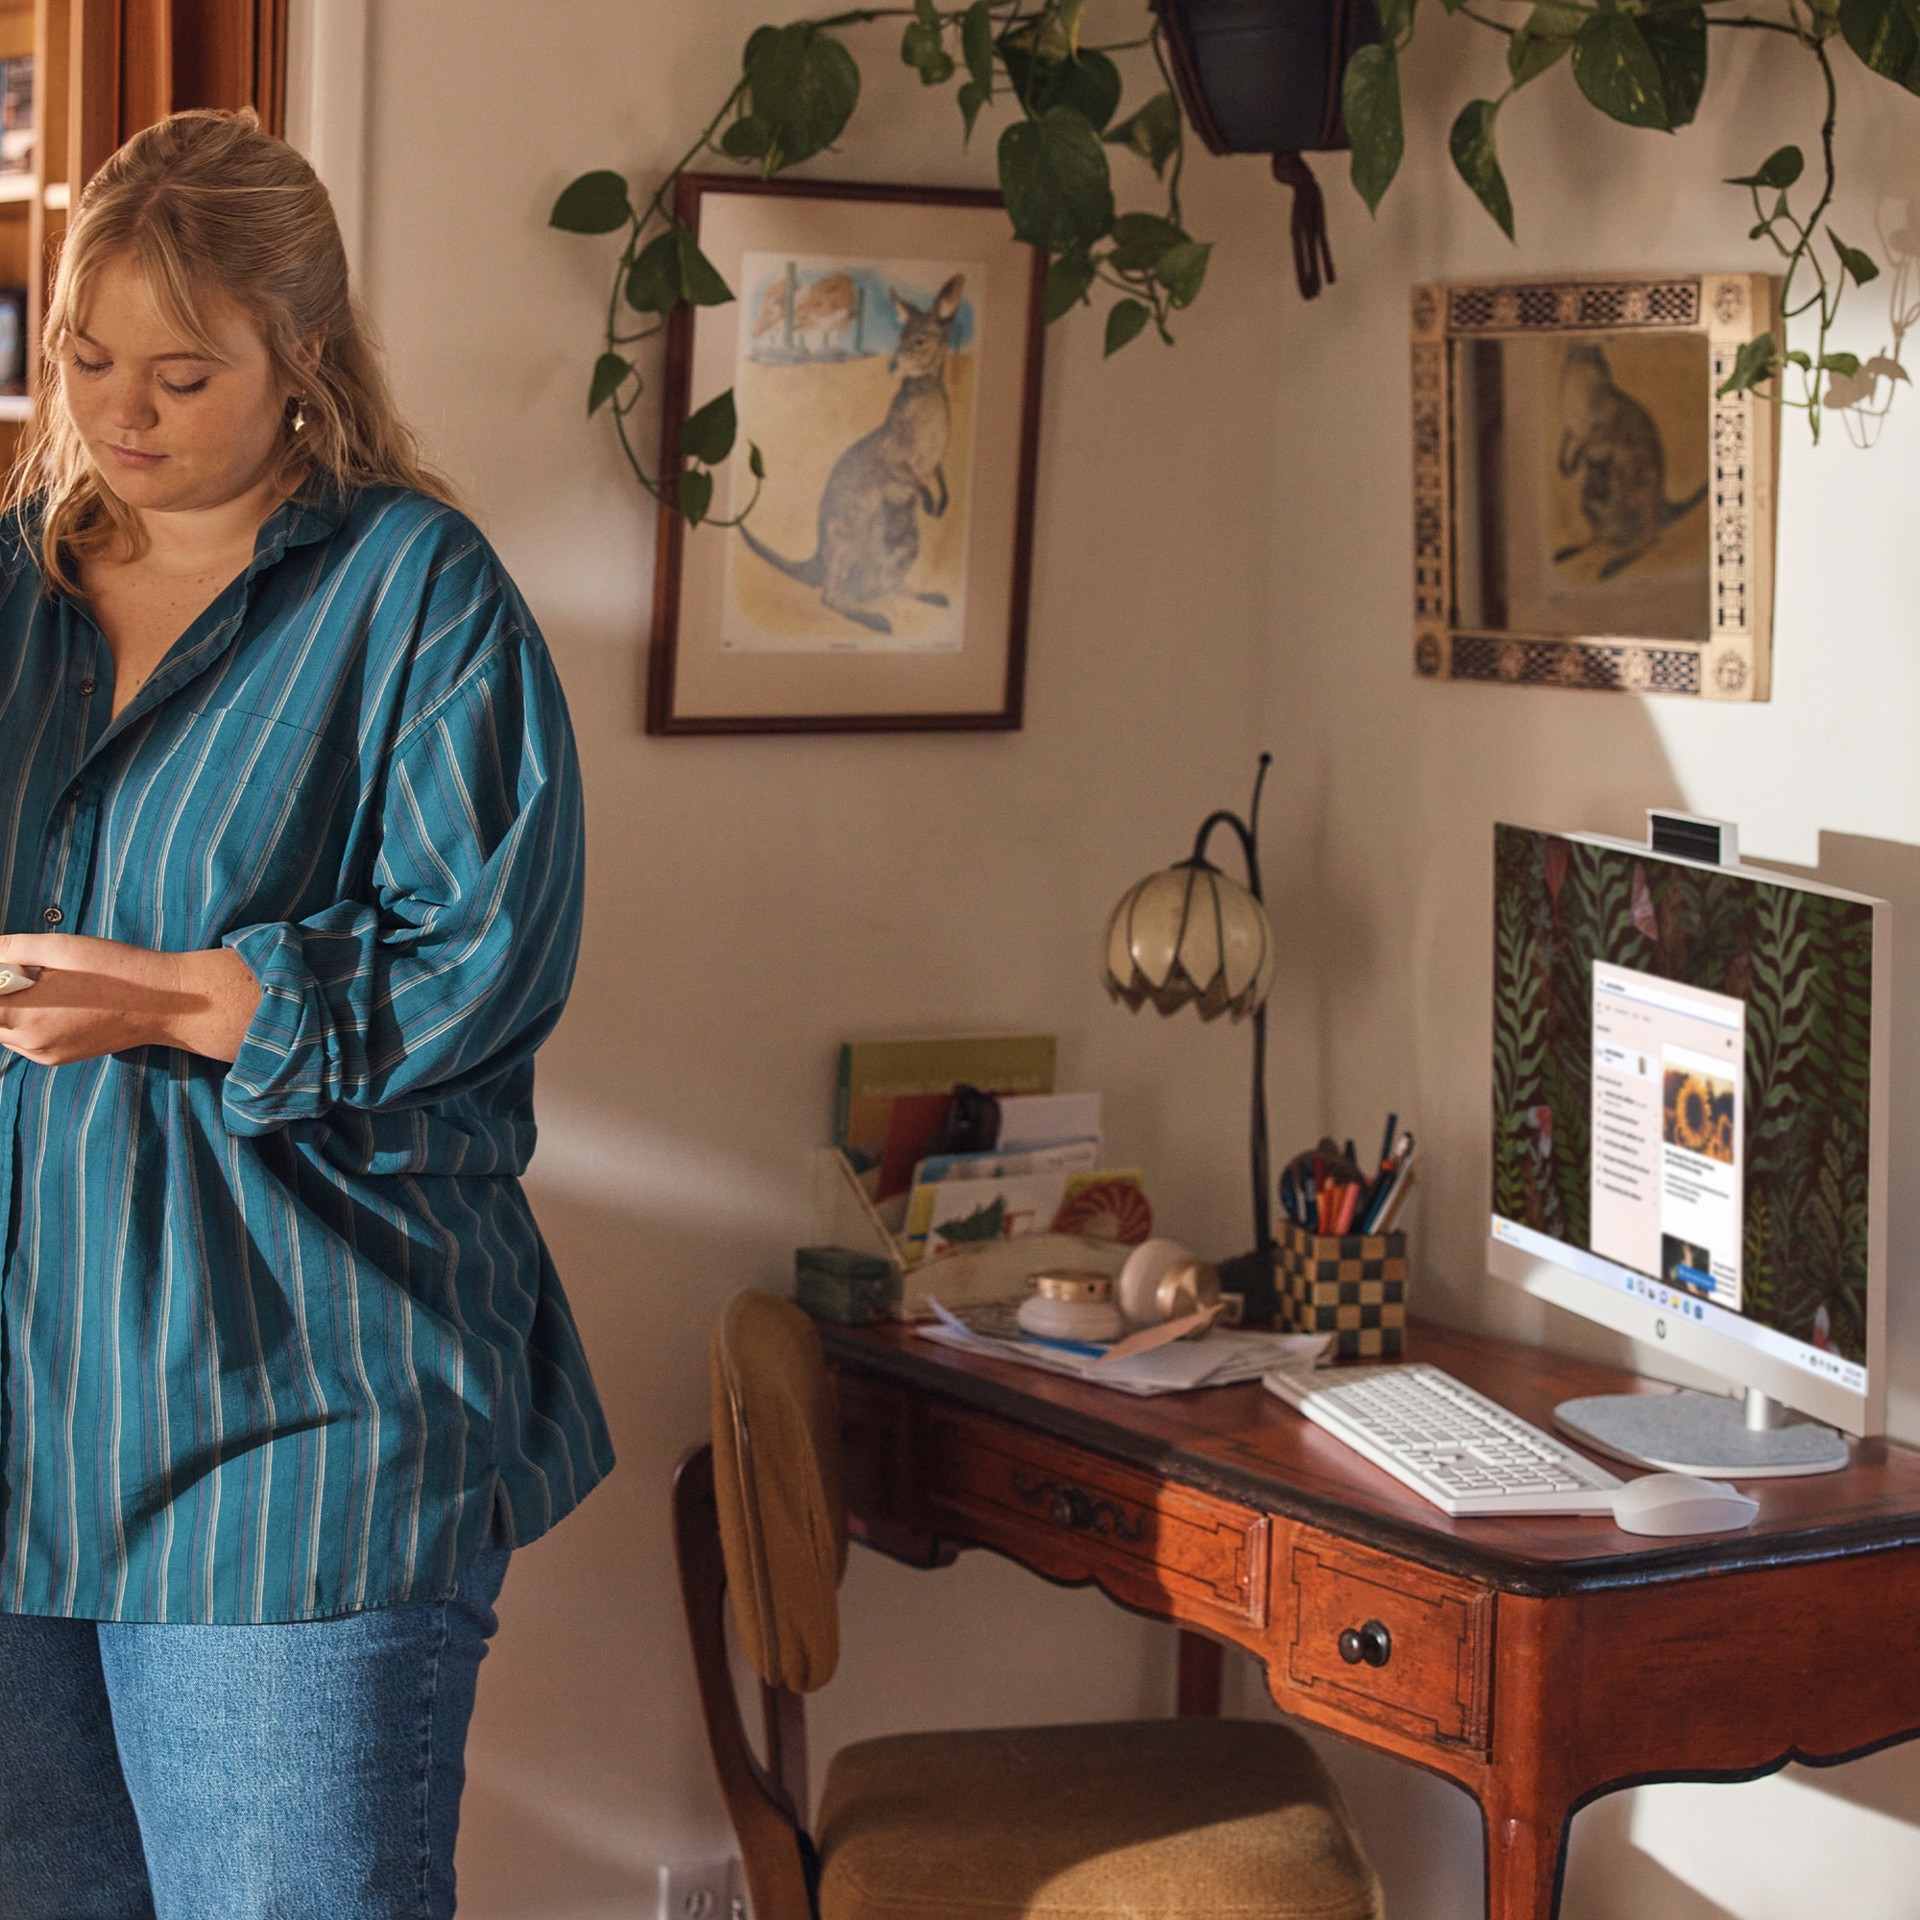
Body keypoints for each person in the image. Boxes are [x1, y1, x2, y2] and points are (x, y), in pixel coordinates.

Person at [0, 109, 613, 1919]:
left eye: (183, 374)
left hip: (298, 1437)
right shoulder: (13, 588)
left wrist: (194, 1002)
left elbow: (489, 957)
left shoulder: (416, 595)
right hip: (30, 1431)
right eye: (87, 359)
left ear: (303, 358)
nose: (122, 413)